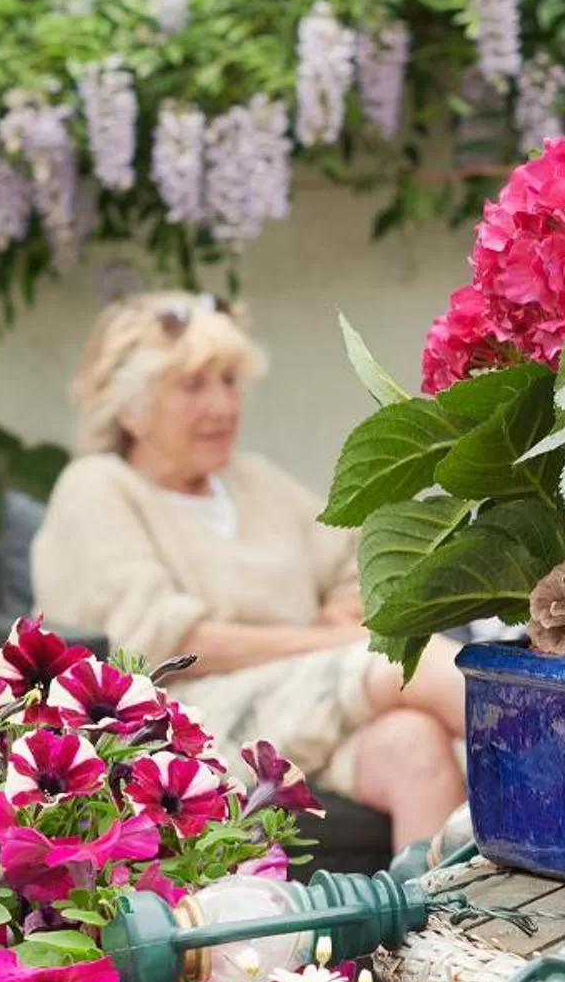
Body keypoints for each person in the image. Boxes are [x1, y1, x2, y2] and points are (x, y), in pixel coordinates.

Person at [32, 292, 467, 844]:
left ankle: (436, 924)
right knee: (407, 660)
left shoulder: (252, 480)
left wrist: (341, 617)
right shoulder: (98, 486)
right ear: (129, 406)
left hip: (305, 700)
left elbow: (355, 562)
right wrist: (325, 643)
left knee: (414, 744)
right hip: (188, 717)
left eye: (230, 381)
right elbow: (170, 643)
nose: (222, 406)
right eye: (193, 386)